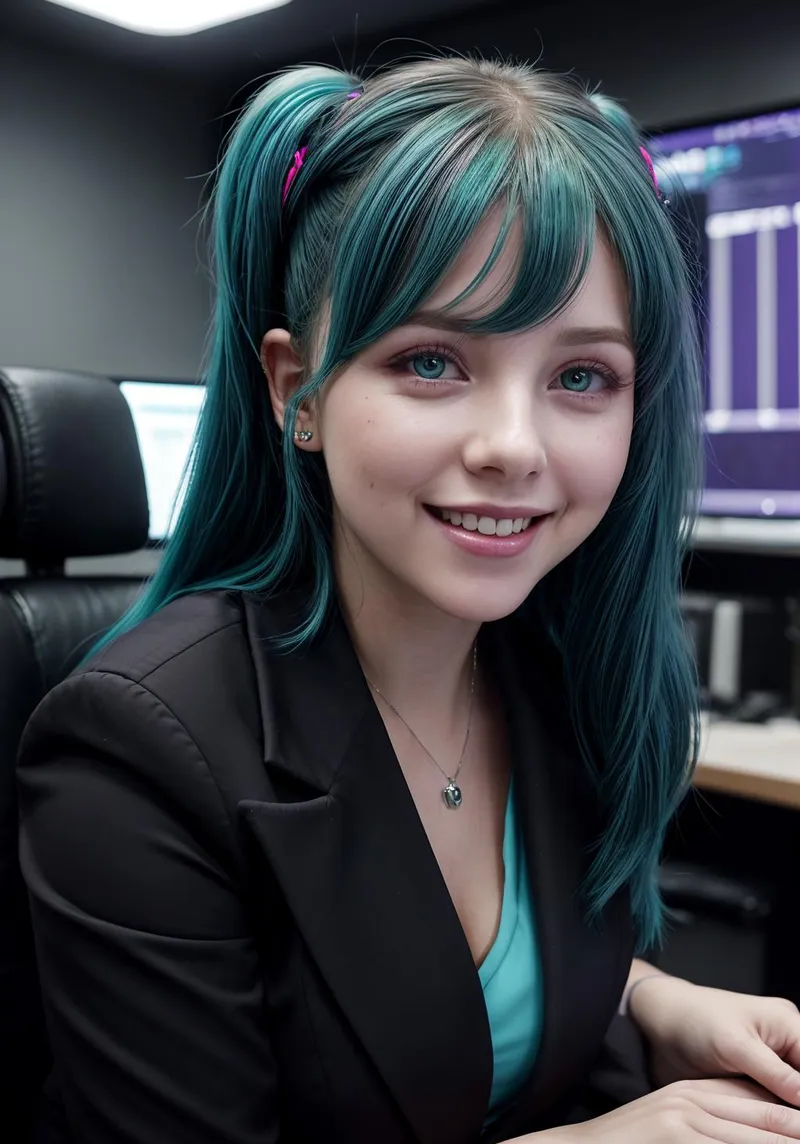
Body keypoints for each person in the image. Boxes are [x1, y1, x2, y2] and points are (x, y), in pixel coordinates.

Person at [17, 56, 800, 1144]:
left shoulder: (567, 676)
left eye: (581, 378)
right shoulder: (137, 751)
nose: (512, 448)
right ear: (299, 391)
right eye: (431, 361)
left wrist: (650, 1001)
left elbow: (468, 1002)